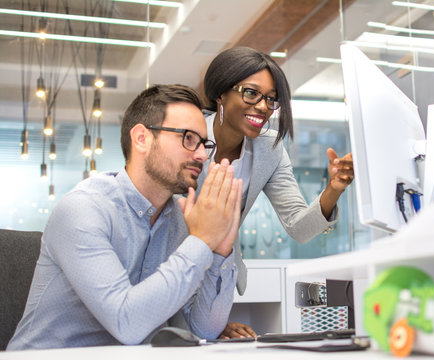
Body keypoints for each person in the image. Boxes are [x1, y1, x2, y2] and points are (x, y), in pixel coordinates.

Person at [7, 84, 243, 350]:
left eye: (204, 143)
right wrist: (201, 240)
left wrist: (220, 251)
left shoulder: (177, 221)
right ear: (141, 138)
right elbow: (126, 323)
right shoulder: (83, 208)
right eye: (188, 138)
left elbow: (204, 330)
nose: (201, 154)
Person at [202, 47, 354, 339]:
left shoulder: (269, 148)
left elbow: (299, 227)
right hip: (166, 271)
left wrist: (333, 189)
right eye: (250, 93)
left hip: (216, 279)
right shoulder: (188, 133)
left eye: (272, 99)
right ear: (221, 93)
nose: (263, 106)